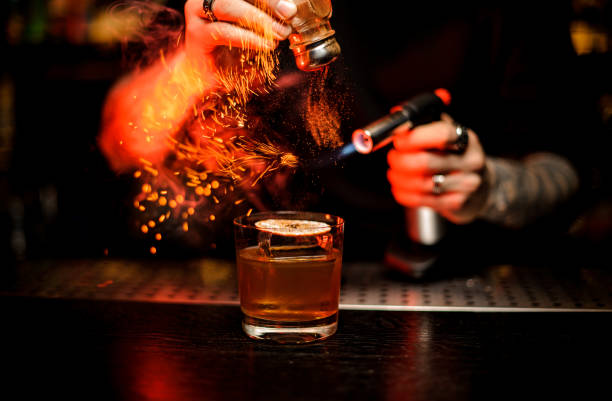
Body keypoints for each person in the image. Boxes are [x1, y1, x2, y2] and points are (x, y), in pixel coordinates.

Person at [99, 0, 597, 260]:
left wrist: (488, 186)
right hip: (261, 283)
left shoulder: (513, 12)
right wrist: (192, 69)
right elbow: (119, 141)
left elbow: (572, 167)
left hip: (463, 286)